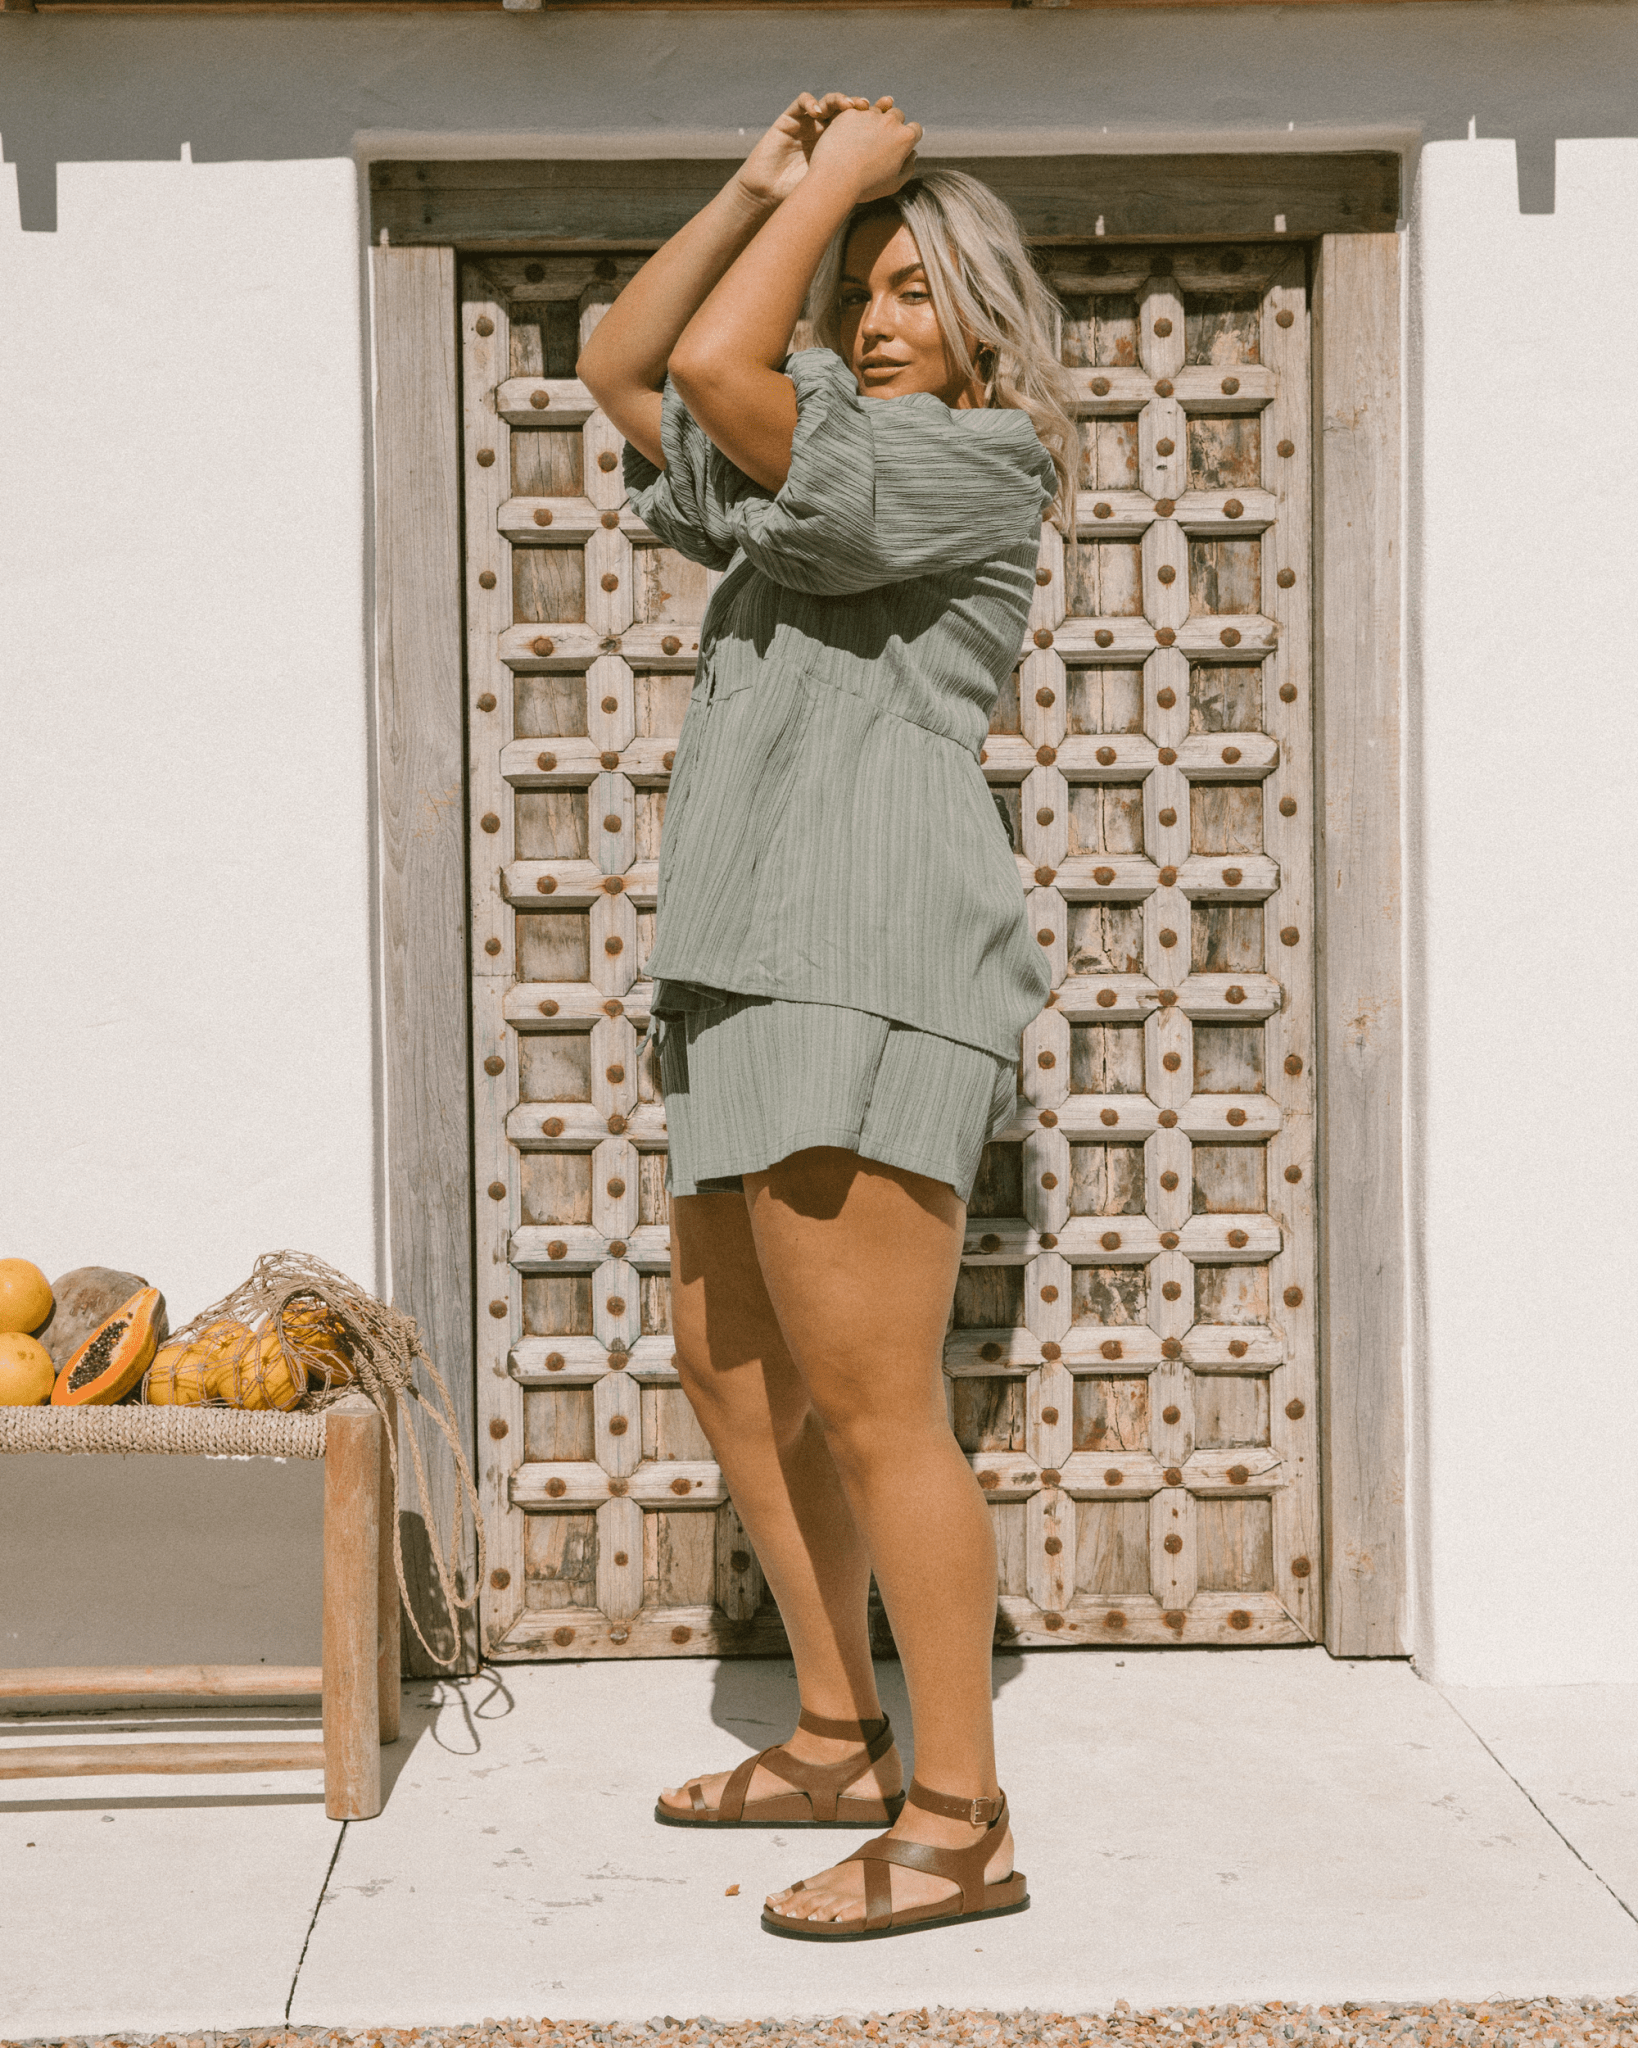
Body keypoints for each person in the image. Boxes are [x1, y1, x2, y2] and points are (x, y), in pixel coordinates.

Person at [577, 91, 1079, 1942]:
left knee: (874, 1404)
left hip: (866, 947)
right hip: (743, 949)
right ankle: (837, 1733)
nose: (873, 317)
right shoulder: (808, 463)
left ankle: (959, 1824)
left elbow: (721, 363)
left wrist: (858, 175)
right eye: (859, 288)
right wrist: (757, 186)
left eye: (911, 287)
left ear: (983, 315)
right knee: (730, 1365)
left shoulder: (977, 460)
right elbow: (623, 363)